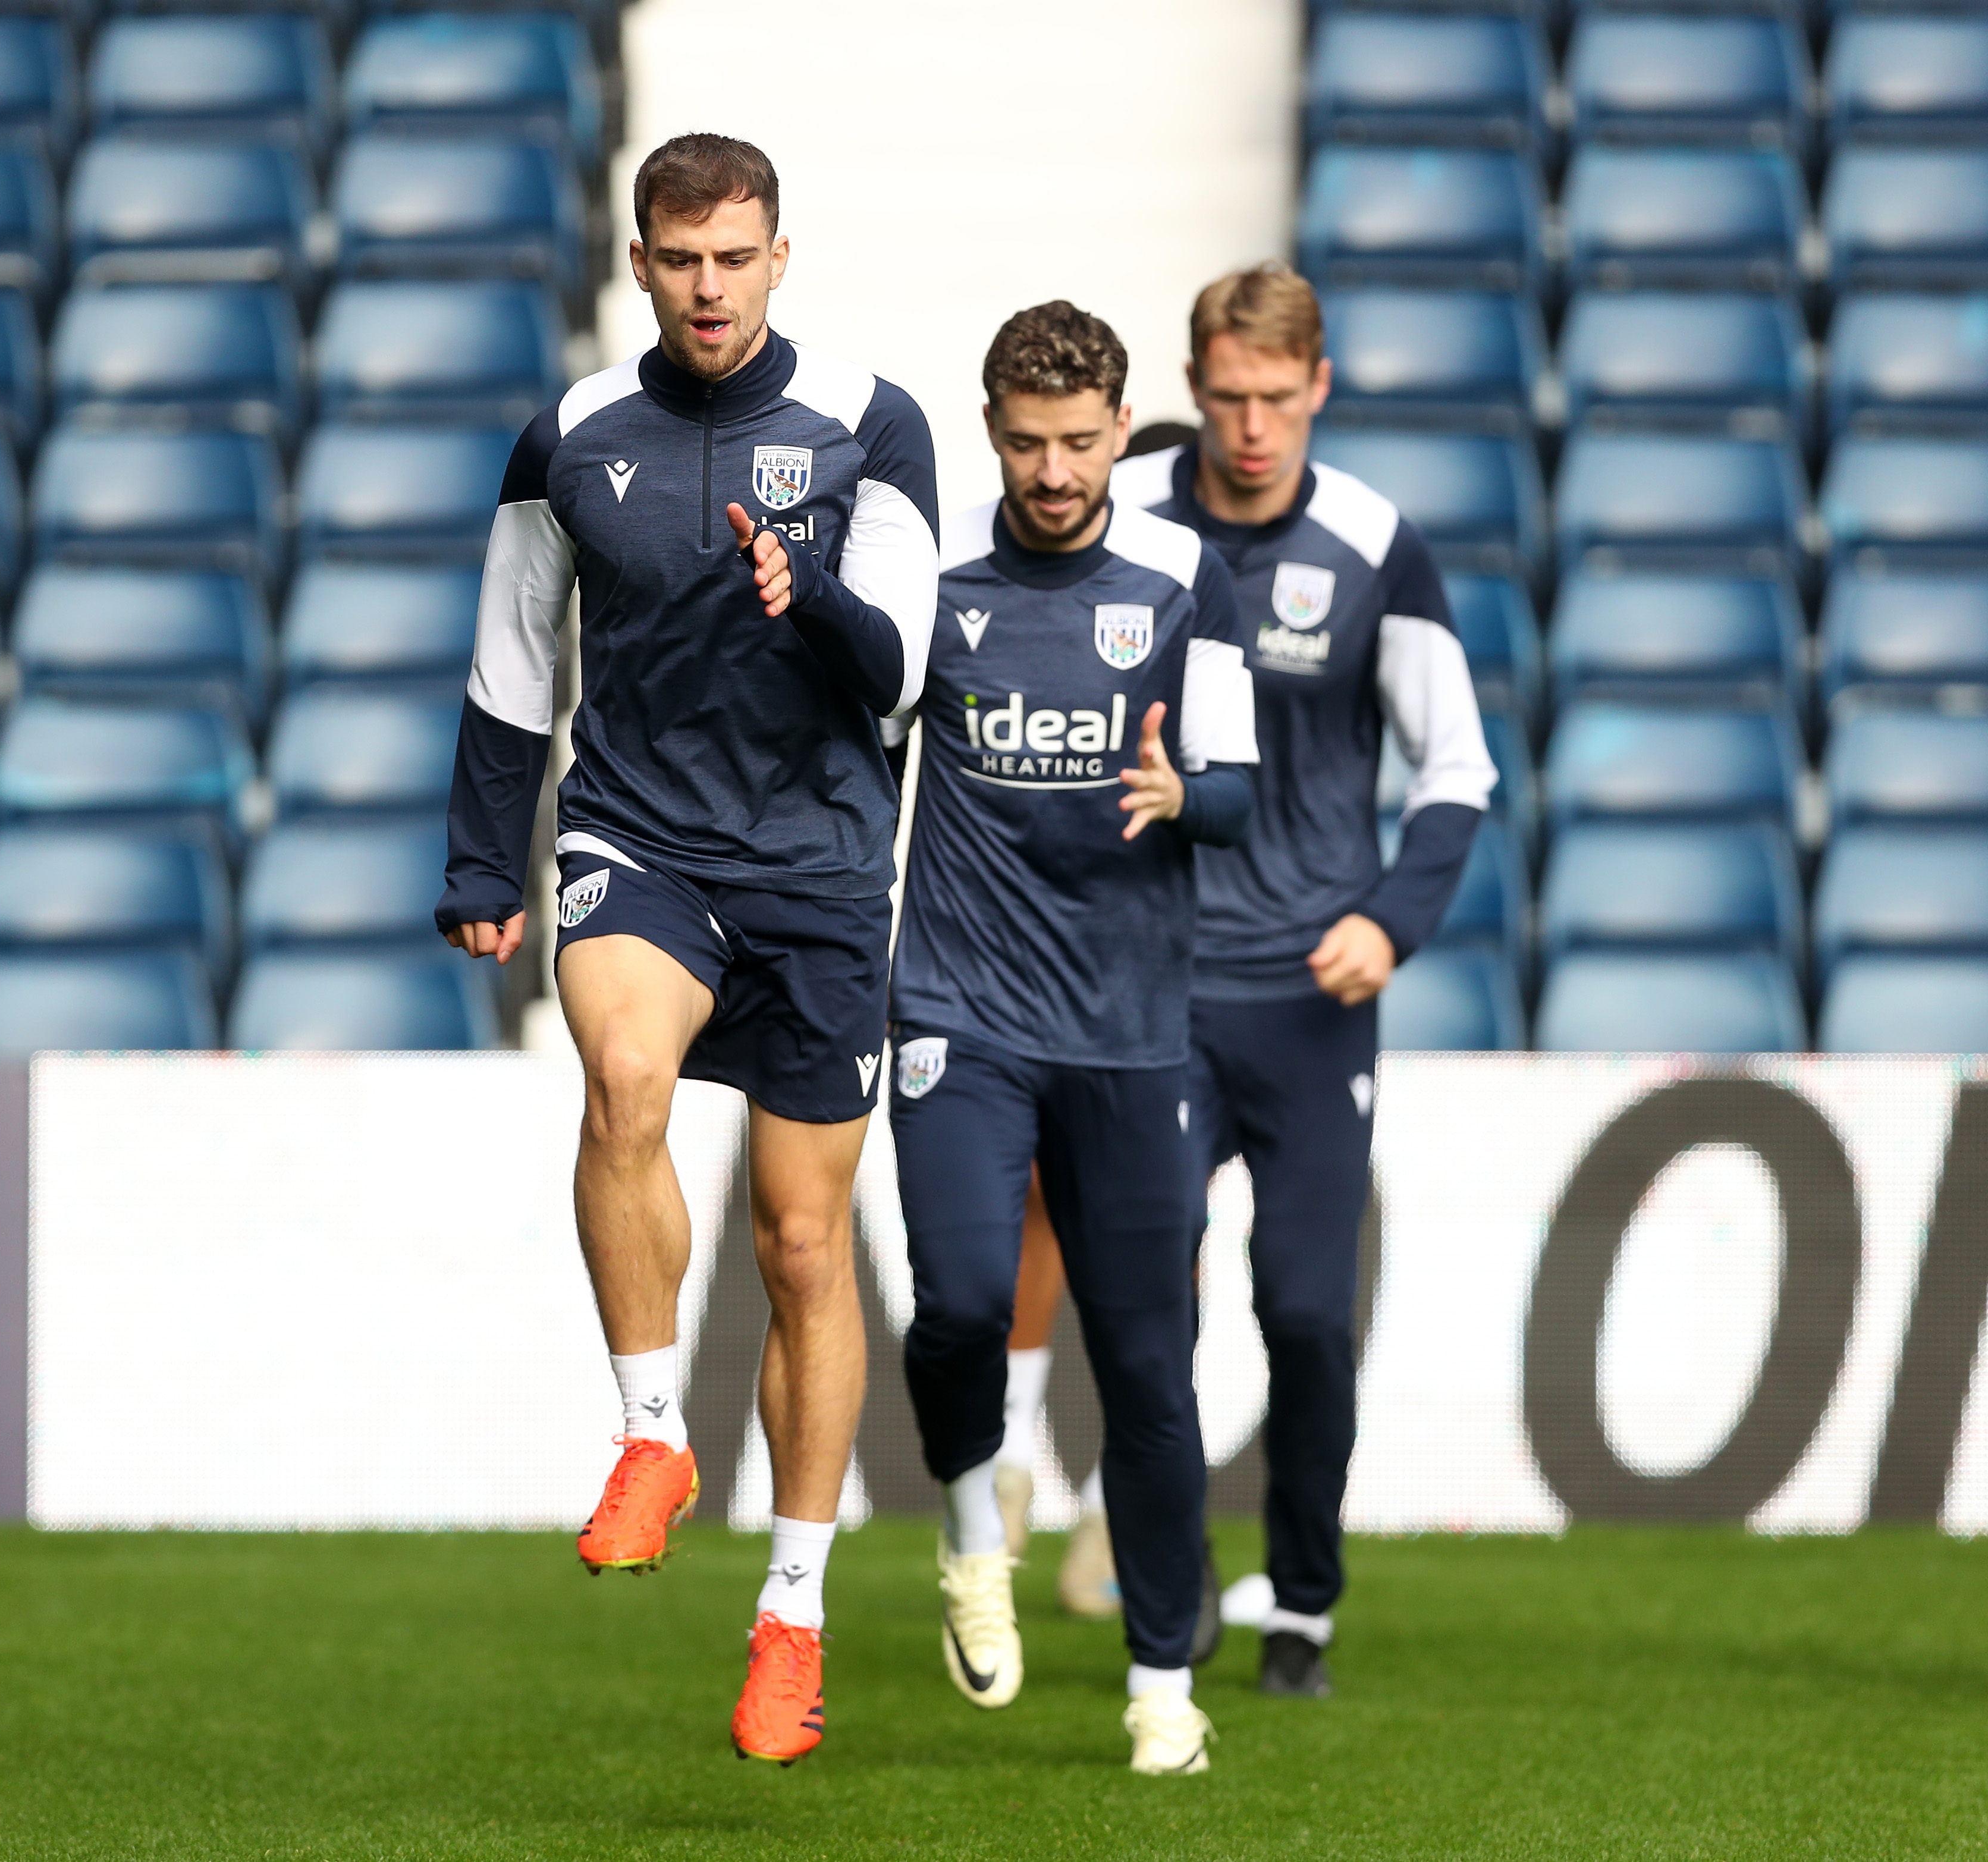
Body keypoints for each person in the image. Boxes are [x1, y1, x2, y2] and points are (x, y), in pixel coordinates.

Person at [435, 133, 938, 1767]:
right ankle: (651, 1433)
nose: (708, 285)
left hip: (820, 867)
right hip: (638, 836)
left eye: (735, 256)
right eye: (679, 257)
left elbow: (905, 671)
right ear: (640, 264)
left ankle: (791, 1611)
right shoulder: (570, 436)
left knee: (805, 1250)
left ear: (780, 256)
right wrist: (477, 860)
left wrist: (816, 607)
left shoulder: (873, 425)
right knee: (624, 1070)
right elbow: (516, 663)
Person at [1004, 263, 1497, 1698]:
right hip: (1152, 991)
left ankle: (1306, 1601)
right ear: (1192, 391)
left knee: (1302, 1312)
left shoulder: (1373, 545)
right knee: (1148, 1300)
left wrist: (1396, 921)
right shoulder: (1131, 524)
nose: (1253, 427)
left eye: (1278, 400)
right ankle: (1167, 1583)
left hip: (1310, 997)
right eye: (1226, 398)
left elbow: (1457, 765)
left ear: (1319, 390)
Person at [891, 301, 1258, 1774]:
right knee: (967, 1301)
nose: (1054, 469)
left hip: (1125, 1032)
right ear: (993, 432)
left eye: (1081, 440)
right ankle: (975, 1526)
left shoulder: (1185, 578)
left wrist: (1186, 796)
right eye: (1029, 442)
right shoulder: (931, 581)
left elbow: (1235, 787)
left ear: (1121, 428)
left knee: (1152, 1372)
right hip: (958, 1011)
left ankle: (1163, 1677)